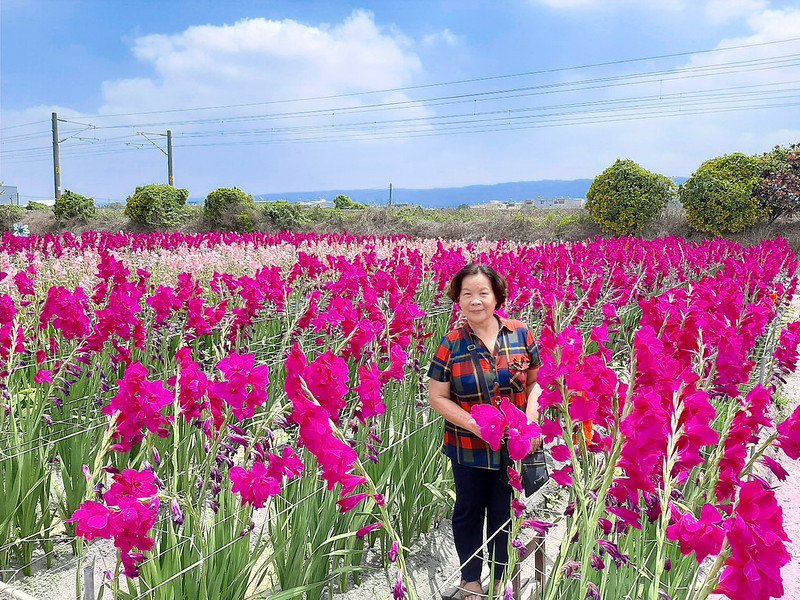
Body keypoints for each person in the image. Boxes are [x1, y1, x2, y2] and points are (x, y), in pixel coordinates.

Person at [427, 263, 543, 600]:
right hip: (468, 446)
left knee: (504, 513)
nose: (475, 301)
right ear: (458, 300)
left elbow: (537, 383)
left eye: (483, 293)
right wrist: (473, 424)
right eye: (467, 294)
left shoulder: (521, 333)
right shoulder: (451, 343)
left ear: (496, 297)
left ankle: (500, 581)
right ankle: (471, 580)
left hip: (514, 446)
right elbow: (437, 396)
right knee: (468, 511)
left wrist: (531, 421)